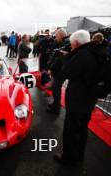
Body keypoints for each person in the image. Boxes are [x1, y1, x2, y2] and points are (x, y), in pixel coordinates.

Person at [54, 30, 105, 165]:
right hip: (89, 98)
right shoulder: (96, 52)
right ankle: (79, 155)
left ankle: (69, 157)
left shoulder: (82, 54)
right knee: (82, 129)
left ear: (76, 43)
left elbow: (66, 72)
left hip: (78, 99)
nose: (71, 47)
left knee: (71, 130)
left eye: (71, 45)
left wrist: (66, 58)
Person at [46, 28, 70, 114]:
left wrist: (51, 67)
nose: (55, 38)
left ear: (60, 35)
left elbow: (59, 60)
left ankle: (56, 109)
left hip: (59, 72)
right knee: (55, 90)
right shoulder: (65, 43)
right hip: (58, 71)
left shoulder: (65, 43)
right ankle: (54, 105)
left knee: (56, 91)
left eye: (56, 36)